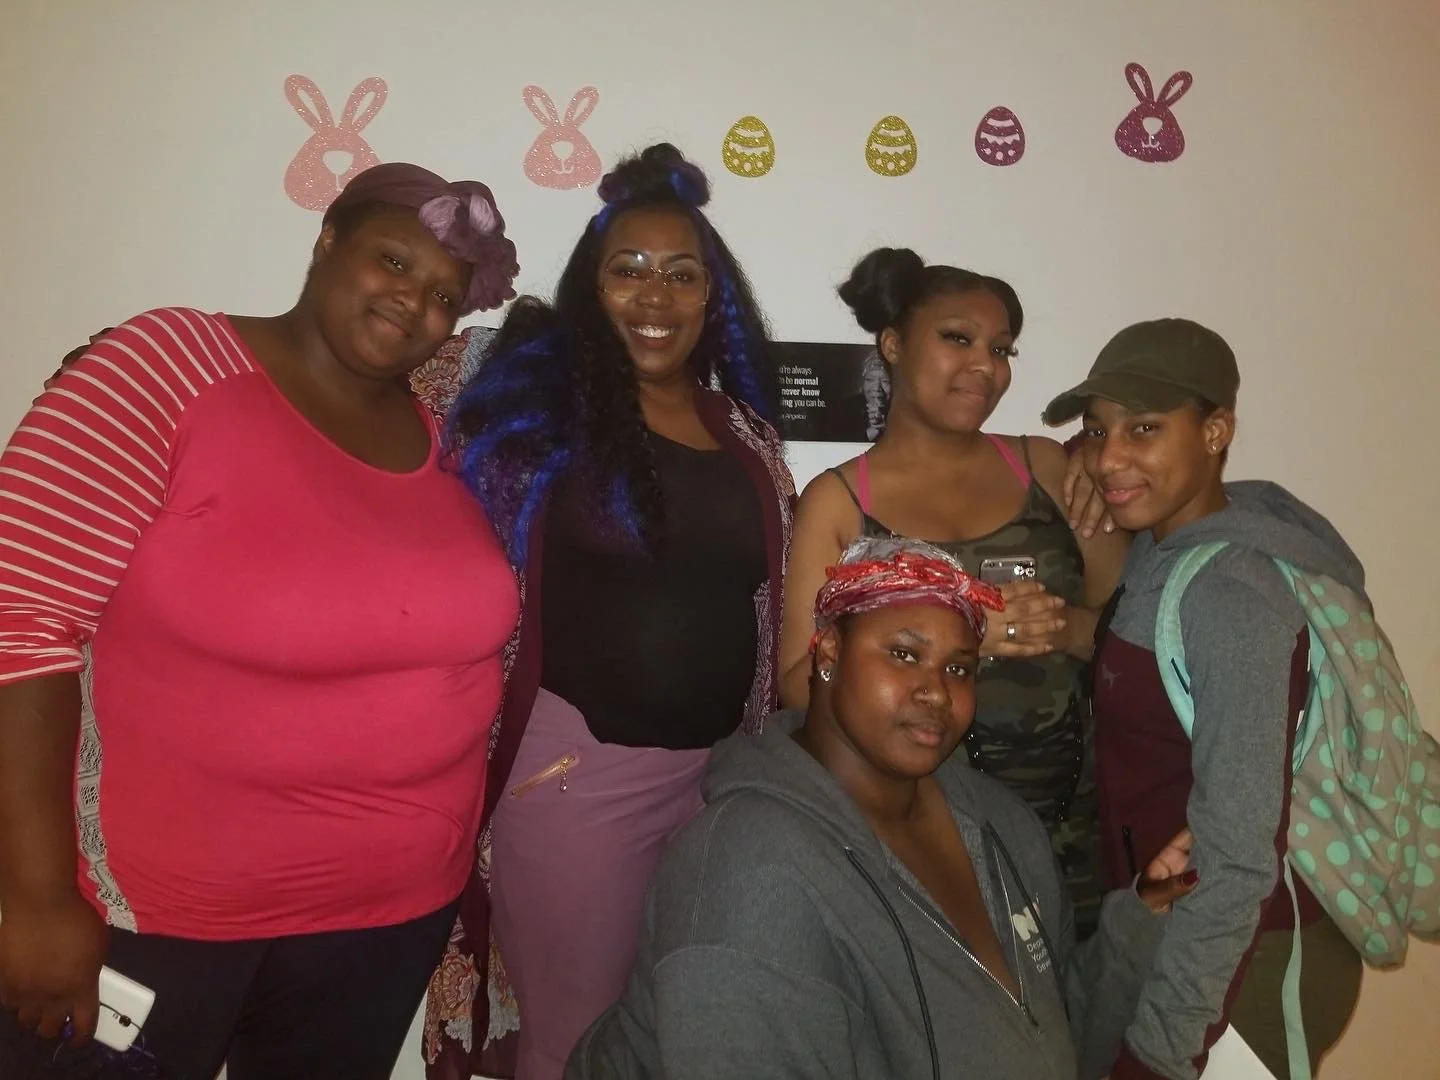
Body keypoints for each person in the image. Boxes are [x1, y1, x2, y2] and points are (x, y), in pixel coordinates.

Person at [0, 163, 522, 1080]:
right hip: (160, 920)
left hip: (388, 922)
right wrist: (36, 898)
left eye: (444, 293)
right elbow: (19, 623)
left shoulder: (448, 433)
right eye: (391, 261)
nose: (414, 302)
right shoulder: (167, 366)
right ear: (327, 242)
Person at [419, 144, 793, 1080]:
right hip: (576, 776)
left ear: (715, 297)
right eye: (626, 271)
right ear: (591, 286)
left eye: (680, 274)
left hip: (718, 787)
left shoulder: (743, 434)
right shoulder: (532, 405)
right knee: (577, 1040)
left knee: (677, 1029)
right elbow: (382, 376)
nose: (654, 296)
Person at [566, 535, 1196, 1080]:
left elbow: (1050, 1045)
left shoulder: (1001, 824)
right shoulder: (750, 878)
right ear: (829, 655)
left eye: (959, 668)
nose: (936, 691)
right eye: (903, 654)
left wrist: (1136, 926)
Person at [1042, 318, 1365, 1078]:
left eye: (1144, 429)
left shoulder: (1230, 593)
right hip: (1177, 930)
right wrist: (1078, 461)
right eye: (1098, 429)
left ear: (1216, 430)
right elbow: (1155, 669)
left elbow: (1238, 861)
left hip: (1246, 957)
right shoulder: (1163, 549)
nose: (1111, 455)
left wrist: (1160, 1052)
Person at [779, 248, 1130, 936]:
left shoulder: (1050, 467)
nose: (986, 366)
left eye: (1001, 349)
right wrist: (961, 643)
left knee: (1079, 1024)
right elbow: (797, 681)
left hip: (1073, 831)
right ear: (892, 343)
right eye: (957, 338)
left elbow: (1135, 632)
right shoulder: (840, 501)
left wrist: (1068, 628)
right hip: (921, 837)